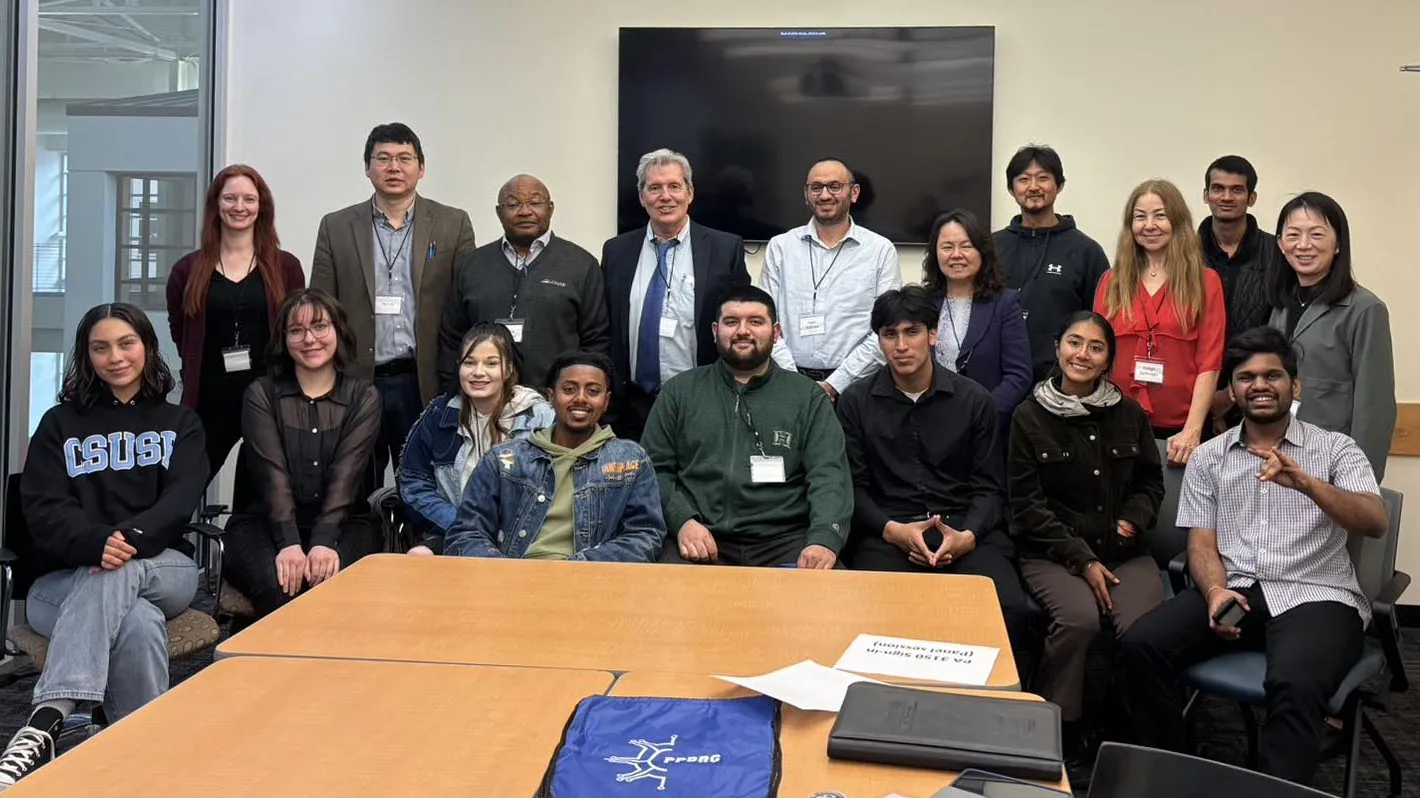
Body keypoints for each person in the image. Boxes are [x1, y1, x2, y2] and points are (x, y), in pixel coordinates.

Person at [1121, 326, 1387, 788]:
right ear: (1233, 390)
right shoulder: (1209, 458)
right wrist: (1214, 589)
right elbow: (1201, 543)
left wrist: (1308, 484)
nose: (1259, 385)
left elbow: (1374, 519)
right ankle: (1173, 779)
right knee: (1140, 648)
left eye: (1273, 375)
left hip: (1318, 595)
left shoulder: (1336, 449)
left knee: (1294, 685)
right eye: (1246, 377)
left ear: (1294, 386)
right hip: (1239, 587)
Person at [0, 304, 207, 788]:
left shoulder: (181, 423)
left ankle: (47, 716)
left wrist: (125, 543)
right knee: (136, 619)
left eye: (126, 343)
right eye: (101, 347)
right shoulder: (58, 425)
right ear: (86, 356)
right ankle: (147, 754)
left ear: (147, 347)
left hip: (163, 569)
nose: (115, 357)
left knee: (124, 573)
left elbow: (179, 503)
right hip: (63, 584)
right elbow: (43, 511)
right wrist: (96, 543)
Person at [837, 285, 1031, 653]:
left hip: (965, 529)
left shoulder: (975, 400)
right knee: (872, 614)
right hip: (889, 532)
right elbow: (854, 489)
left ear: (933, 334)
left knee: (1007, 608)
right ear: (878, 340)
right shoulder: (855, 402)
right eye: (889, 334)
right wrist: (893, 531)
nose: (901, 345)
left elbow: (990, 488)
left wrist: (968, 536)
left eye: (912, 332)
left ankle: (996, 704)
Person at [1008, 311, 1165, 760]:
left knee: (1144, 632)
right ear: (1058, 348)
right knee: (1079, 621)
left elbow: (1151, 483)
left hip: (1123, 550)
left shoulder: (1129, 413)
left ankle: (1125, 731)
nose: (1083, 354)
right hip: (1054, 553)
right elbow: (1027, 505)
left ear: (1108, 360)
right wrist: (1082, 559)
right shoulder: (1029, 416)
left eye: (1096, 347)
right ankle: (1057, 730)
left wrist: (1134, 518)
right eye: (1074, 342)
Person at [641, 285, 852, 568]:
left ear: (776, 333)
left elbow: (829, 475)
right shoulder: (679, 392)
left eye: (755, 321)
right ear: (715, 331)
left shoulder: (807, 397)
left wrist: (823, 539)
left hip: (786, 541)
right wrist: (682, 521)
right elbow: (654, 469)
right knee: (661, 602)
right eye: (731, 322)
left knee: (832, 602)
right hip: (700, 536)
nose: (743, 331)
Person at [310, 122, 477, 477]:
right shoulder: (336, 226)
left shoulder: (453, 223)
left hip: (424, 379)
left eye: (404, 158)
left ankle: (412, 538)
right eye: (383, 158)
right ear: (367, 167)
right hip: (355, 379)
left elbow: (464, 305)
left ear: (421, 167)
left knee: (425, 483)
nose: (394, 167)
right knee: (354, 482)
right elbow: (320, 308)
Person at [224, 289, 382, 619]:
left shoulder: (363, 397)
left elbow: (347, 476)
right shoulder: (261, 394)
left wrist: (324, 541)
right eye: (297, 330)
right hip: (262, 524)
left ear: (338, 331)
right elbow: (272, 477)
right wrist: (288, 543)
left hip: (346, 522)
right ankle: (265, 669)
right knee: (282, 586)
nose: (310, 338)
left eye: (320, 327)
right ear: (284, 338)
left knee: (335, 588)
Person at [165, 164, 305, 507]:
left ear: (262, 206)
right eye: (229, 198)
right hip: (211, 398)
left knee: (269, 493)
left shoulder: (285, 266)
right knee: (182, 488)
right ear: (216, 204)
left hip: (270, 395)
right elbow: (179, 330)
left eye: (248, 199)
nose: (239, 207)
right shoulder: (187, 270)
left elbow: (298, 329)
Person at [443, 352, 666, 561]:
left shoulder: (630, 461)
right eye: (569, 389)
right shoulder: (504, 460)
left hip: (592, 584)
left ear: (606, 401)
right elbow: (466, 533)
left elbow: (645, 535)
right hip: (513, 580)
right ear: (551, 397)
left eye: (593, 391)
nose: (580, 398)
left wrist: (582, 566)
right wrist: (506, 573)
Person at [601, 148, 750, 441]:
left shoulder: (724, 249)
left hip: (702, 398)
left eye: (674, 186)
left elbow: (737, 324)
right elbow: (606, 325)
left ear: (690, 193)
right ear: (642, 197)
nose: (665, 196)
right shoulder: (616, 251)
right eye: (654, 188)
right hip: (632, 403)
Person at [1266, 191, 1395, 480]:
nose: (1303, 245)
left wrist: (1360, 480)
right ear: (1280, 244)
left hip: (1331, 467)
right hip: (1278, 458)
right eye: (1293, 234)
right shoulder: (1281, 306)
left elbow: (1374, 408)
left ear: (1338, 244)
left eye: (1316, 234)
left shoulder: (1365, 309)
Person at [1094, 179, 1225, 465]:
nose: (1149, 225)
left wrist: (1192, 430)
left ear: (1177, 221)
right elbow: (1098, 357)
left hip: (1178, 432)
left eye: (1160, 215)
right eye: (1140, 217)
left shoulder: (1206, 282)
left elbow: (1209, 363)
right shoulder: (1111, 281)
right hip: (1117, 422)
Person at [438, 174, 609, 392]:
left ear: (551, 208)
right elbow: (452, 338)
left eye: (535, 202)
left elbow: (597, 341)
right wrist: (454, 393)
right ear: (498, 212)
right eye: (513, 204)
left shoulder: (581, 265)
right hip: (483, 402)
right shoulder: (472, 265)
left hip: (555, 405)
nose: (525, 211)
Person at [399, 323, 554, 554]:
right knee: (418, 556)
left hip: (526, 538)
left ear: (509, 369)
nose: (478, 372)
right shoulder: (440, 415)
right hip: (455, 530)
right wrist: (463, 524)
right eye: (469, 363)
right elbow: (413, 483)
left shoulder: (540, 416)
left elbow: (559, 485)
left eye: (491, 363)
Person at [761, 157, 900, 402]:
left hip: (858, 389)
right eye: (816, 187)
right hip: (786, 386)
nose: (825, 195)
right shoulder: (780, 247)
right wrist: (795, 382)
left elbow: (886, 330)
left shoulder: (880, 250)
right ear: (806, 194)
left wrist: (836, 384)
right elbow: (765, 324)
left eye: (835, 186)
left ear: (854, 192)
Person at [993, 145, 1111, 380]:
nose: (1033, 187)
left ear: (1059, 185)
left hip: (1061, 384)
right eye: (1024, 179)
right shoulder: (991, 247)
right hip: (996, 379)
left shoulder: (1086, 251)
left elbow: (1102, 324)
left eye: (1043, 178)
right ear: (1011, 188)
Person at [923, 209, 1033, 432]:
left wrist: (982, 415)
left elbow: (1018, 375)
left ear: (982, 252)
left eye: (966, 246)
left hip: (985, 426)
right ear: (935, 253)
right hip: (929, 423)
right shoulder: (922, 303)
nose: (956, 254)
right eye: (947, 247)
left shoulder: (1005, 304)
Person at [1198, 156, 1280, 432]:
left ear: (1252, 197)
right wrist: (1208, 397)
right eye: (1218, 188)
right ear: (1206, 195)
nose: (1226, 197)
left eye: (1237, 190)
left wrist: (1232, 393)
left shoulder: (1277, 254)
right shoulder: (1183, 253)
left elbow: (1279, 331)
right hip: (1189, 399)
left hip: (1258, 396)